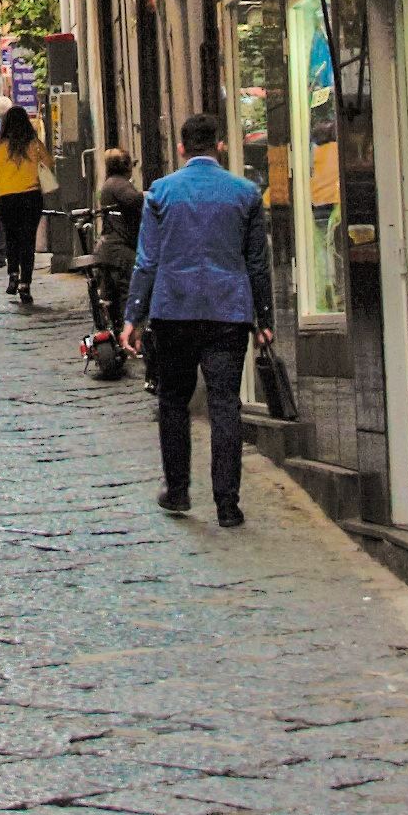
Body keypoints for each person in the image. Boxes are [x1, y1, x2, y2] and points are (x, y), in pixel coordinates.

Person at [125, 113, 275, 528]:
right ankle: (228, 504)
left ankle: (177, 491)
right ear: (220, 146)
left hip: (174, 310)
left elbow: (147, 261)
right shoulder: (245, 194)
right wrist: (264, 318)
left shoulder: (160, 193)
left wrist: (133, 316)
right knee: (226, 403)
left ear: (181, 148)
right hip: (228, 311)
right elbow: (257, 264)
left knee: (173, 400)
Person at [0, 104, 52, 308]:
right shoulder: (34, 144)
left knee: (11, 237)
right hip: (31, 197)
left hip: (7, 198)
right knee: (27, 241)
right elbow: (49, 164)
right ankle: (25, 284)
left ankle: (13, 273)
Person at [87, 146, 145, 351]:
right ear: (126, 166)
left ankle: (114, 338)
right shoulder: (119, 185)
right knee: (126, 293)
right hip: (119, 251)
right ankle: (127, 338)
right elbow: (136, 200)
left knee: (110, 296)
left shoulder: (110, 185)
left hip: (109, 250)